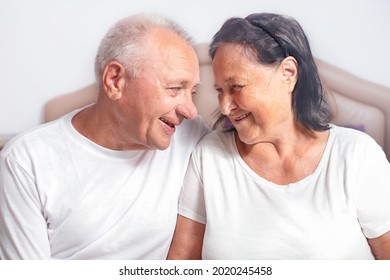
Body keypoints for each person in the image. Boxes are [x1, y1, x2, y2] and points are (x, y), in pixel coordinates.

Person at [167, 13, 390, 260]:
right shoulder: (209, 156)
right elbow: (182, 264)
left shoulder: (357, 155)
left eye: (236, 87)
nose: (225, 107)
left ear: (288, 73)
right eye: (220, 91)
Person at [0, 14, 209, 259]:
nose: (190, 110)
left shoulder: (191, 137)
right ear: (114, 80)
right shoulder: (26, 161)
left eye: (192, 92)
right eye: (175, 88)